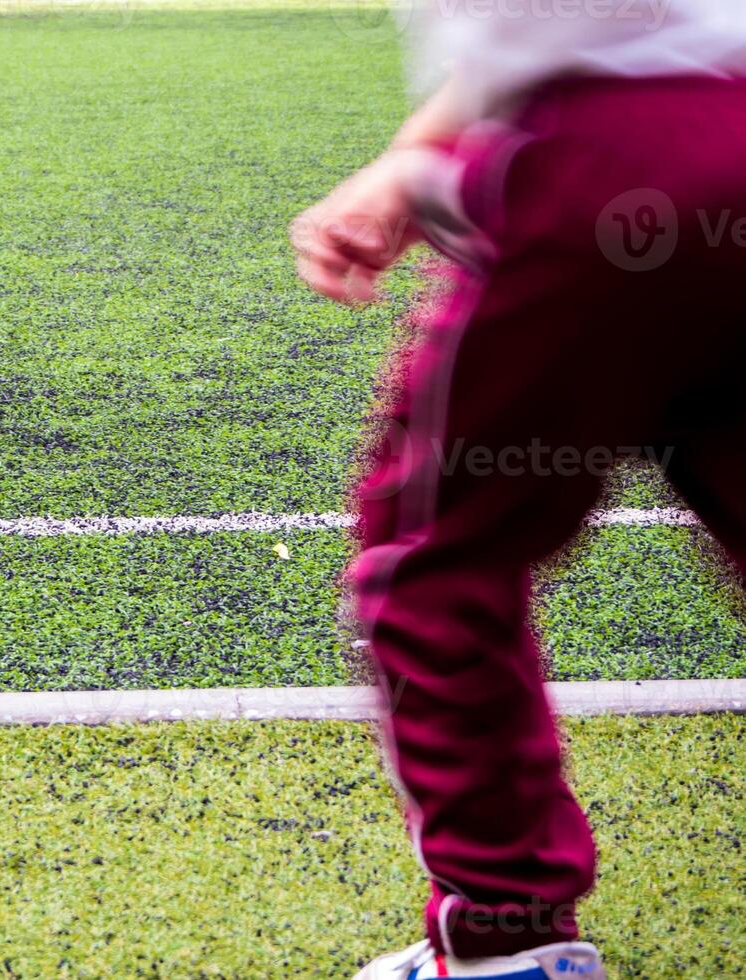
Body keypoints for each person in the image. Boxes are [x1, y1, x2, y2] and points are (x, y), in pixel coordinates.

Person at [290, 2, 746, 977]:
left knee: (430, 555)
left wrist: (417, 164)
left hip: (603, 157)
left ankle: (507, 934)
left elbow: (585, 37)